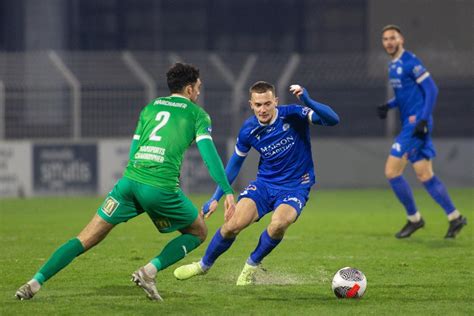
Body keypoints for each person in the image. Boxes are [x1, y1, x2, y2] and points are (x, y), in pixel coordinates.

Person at [15, 63, 235, 301]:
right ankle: (149, 272)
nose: (199, 93)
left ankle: (34, 282)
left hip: (129, 183)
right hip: (159, 187)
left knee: (85, 238)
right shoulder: (197, 114)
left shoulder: (150, 108)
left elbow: (134, 150)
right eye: (199, 88)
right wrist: (227, 190)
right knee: (198, 231)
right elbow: (210, 156)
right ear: (190, 89)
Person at [173, 81, 339, 285]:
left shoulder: (293, 114)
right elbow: (234, 165)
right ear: (251, 104)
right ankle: (203, 266)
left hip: (295, 186)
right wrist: (216, 197)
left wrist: (307, 100)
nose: (263, 109)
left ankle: (251, 265)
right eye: (258, 105)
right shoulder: (248, 130)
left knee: (279, 224)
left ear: (275, 102)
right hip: (264, 185)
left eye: (267, 103)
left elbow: (333, 119)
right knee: (232, 225)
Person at [377, 25, 467, 238]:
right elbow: (405, 95)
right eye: (385, 39)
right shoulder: (393, 66)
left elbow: (431, 90)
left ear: (401, 40)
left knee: (392, 171)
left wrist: (423, 120)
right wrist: (388, 106)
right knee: (425, 174)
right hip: (413, 123)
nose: (389, 42)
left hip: (415, 125)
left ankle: (414, 219)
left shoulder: (410, 62)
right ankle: (455, 217)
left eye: (393, 38)